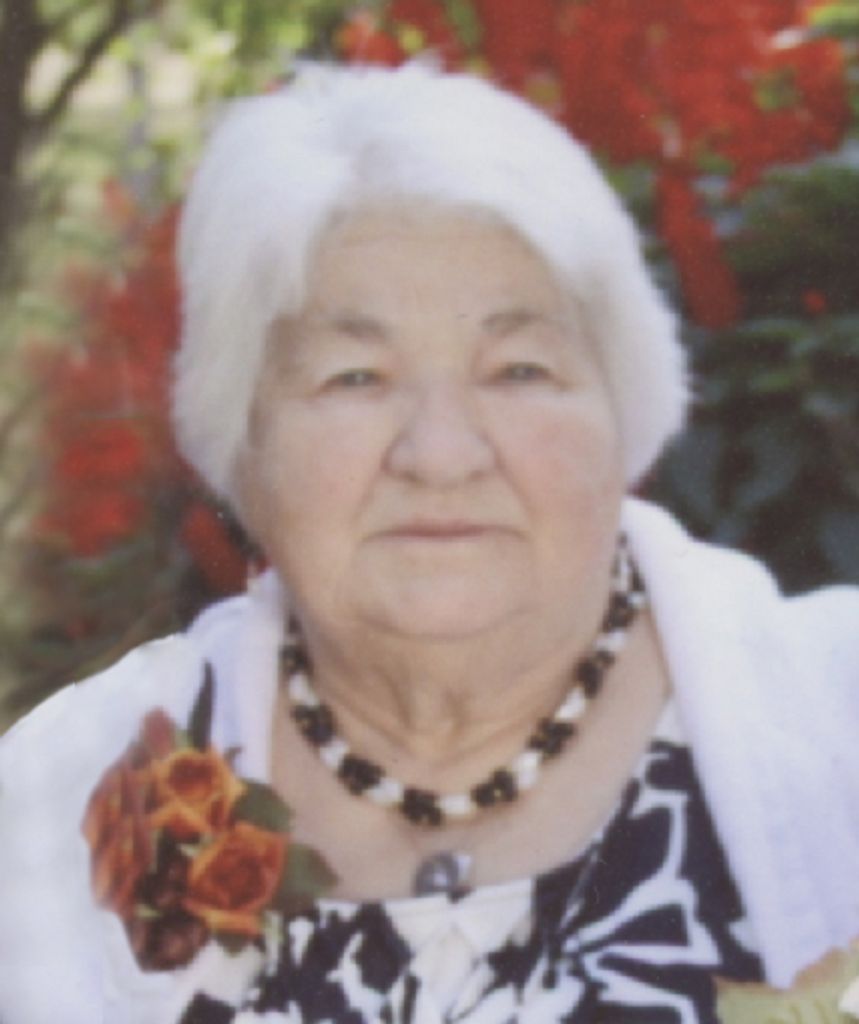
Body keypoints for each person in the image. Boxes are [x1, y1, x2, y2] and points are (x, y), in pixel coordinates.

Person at [0, 62, 857, 1024]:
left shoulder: (839, 715)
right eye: (354, 378)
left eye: (517, 369)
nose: (440, 455)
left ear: (625, 413)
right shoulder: (55, 804)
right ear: (240, 445)